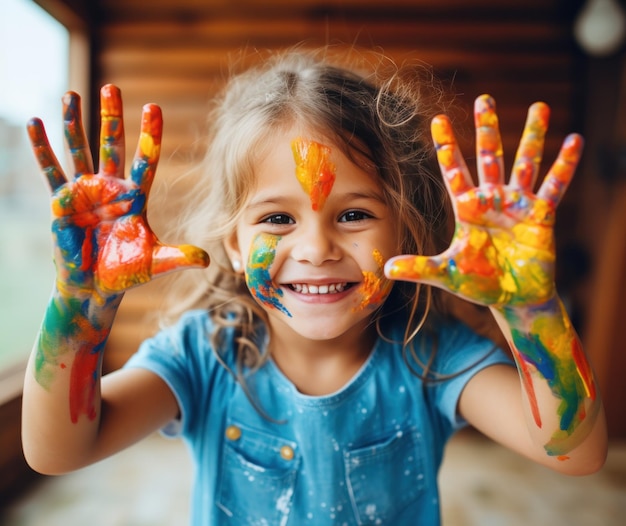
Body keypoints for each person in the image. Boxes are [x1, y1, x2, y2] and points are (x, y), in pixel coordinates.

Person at [21, 48, 607, 525]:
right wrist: (79, 307)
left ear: (405, 230)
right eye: (277, 219)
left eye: (354, 216)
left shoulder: (432, 355)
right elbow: (58, 451)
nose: (317, 249)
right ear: (233, 244)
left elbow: (574, 452)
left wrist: (529, 309)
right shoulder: (203, 355)